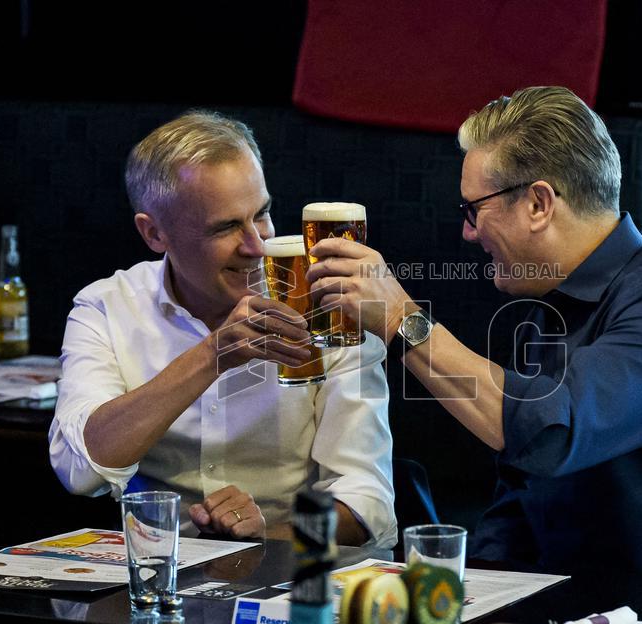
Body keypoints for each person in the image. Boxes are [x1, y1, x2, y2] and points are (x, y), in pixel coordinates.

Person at [305, 86, 642, 580]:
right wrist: (463, 595)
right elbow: (520, 504)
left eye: (474, 209)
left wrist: (402, 320)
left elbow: (553, 433)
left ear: (538, 203)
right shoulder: (547, 311)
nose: (468, 232)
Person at [49, 110, 396, 548]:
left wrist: (266, 535)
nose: (256, 245)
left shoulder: (329, 307)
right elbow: (80, 471)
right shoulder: (106, 307)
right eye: (227, 227)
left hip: (296, 574)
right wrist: (211, 356)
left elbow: (367, 504)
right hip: (162, 575)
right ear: (155, 233)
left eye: (262, 214)